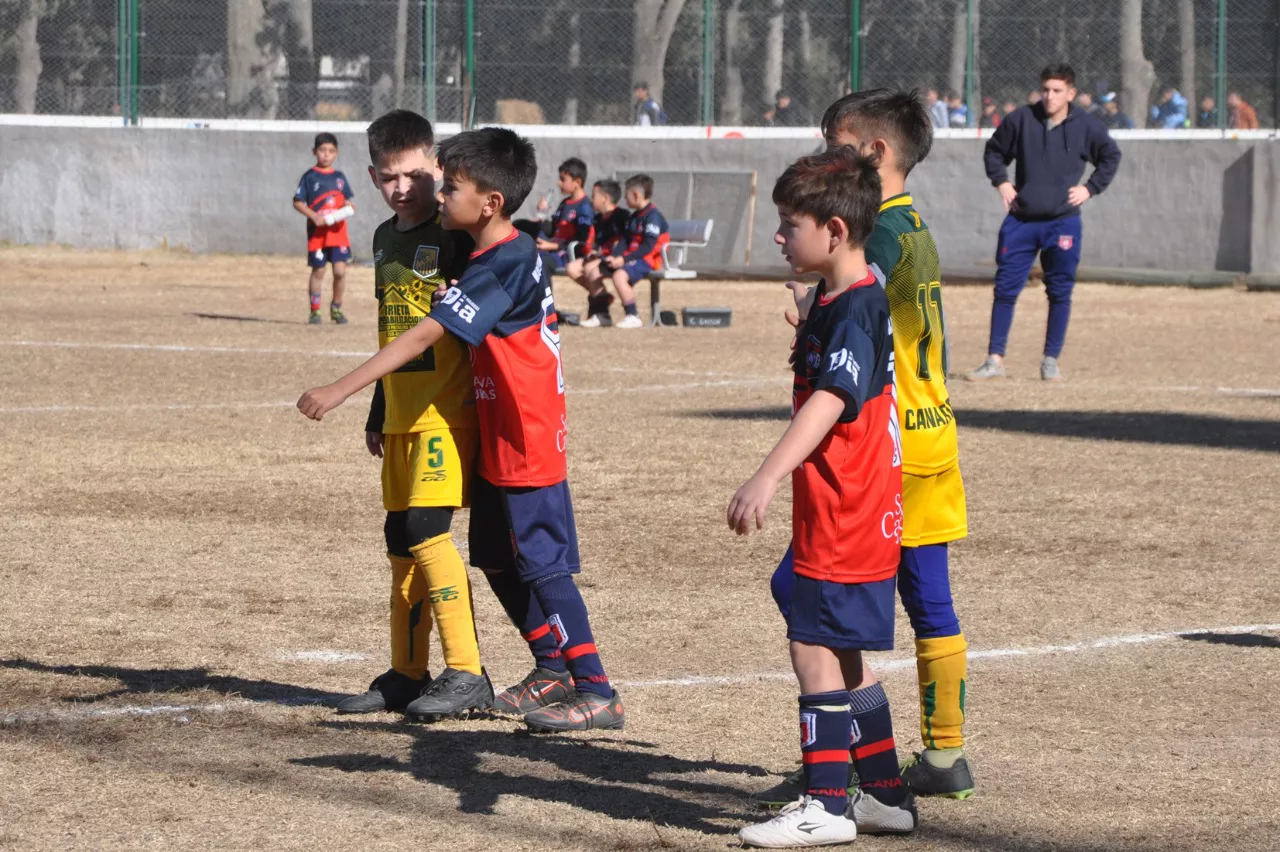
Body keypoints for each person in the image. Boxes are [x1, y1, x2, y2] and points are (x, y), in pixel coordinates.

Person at [297, 126, 624, 733]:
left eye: (449, 187)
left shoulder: (510, 258)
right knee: (496, 556)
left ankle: (598, 690)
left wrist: (342, 389)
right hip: (496, 428)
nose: (438, 196)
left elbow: (427, 334)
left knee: (544, 566)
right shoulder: (482, 256)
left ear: (490, 202)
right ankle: (550, 669)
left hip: (527, 434)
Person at [759, 89, 974, 818]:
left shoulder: (875, 238)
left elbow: (857, 320)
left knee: (810, 600)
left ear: (873, 154)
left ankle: (837, 774)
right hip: (931, 432)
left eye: (835, 142)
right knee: (925, 600)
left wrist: (814, 310)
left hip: (882, 448)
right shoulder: (918, 226)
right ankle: (937, 754)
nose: (825, 153)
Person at [732, 145, 911, 848]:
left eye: (789, 223)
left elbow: (834, 399)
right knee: (841, 648)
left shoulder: (855, 311)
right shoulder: (843, 300)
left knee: (812, 646)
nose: (779, 236)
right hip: (853, 509)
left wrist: (768, 474)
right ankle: (887, 795)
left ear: (833, 231)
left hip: (846, 510)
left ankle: (827, 804)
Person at [316, 111, 489, 721]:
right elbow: (391, 329)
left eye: (415, 174)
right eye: (389, 177)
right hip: (401, 416)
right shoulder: (385, 238)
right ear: (371, 176)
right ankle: (406, 673)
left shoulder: (459, 235)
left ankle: (467, 670)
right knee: (398, 536)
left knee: (426, 528)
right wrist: (378, 404)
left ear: (437, 167)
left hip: (448, 411)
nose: (402, 188)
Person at [970, 64, 1121, 382]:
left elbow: (1110, 156)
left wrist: (1089, 189)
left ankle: (1050, 360)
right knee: (1006, 289)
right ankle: (995, 359)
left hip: (1062, 223)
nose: (1049, 97)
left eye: (1057, 91)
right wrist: (1002, 182)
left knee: (1060, 291)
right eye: (1046, 90)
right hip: (1021, 221)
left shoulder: (1086, 126)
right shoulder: (1022, 119)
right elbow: (994, 152)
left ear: (1071, 93)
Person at [583, 174, 668, 329]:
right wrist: (614, 256)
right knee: (593, 272)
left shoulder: (652, 217)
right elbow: (625, 241)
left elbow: (648, 246)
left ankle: (632, 315)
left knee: (619, 275)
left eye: (627, 194)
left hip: (649, 259)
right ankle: (602, 315)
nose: (625, 198)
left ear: (636, 195)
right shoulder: (634, 216)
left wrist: (624, 260)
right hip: (630, 257)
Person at [293, 132, 356, 325]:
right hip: (318, 234)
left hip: (338, 234)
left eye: (330, 151)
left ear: (336, 153)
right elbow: (298, 202)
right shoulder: (309, 177)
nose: (326, 155)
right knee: (318, 271)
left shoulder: (339, 177)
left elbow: (347, 201)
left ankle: (336, 307)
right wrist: (314, 216)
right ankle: (315, 311)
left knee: (340, 271)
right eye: (322, 150)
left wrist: (348, 208)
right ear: (314, 152)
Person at [566, 179, 629, 324]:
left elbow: (625, 241)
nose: (591, 199)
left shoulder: (622, 216)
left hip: (614, 259)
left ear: (605, 199)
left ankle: (600, 314)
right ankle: (603, 296)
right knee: (572, 268)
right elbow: (598, 242)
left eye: (594, 195)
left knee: (589, 268)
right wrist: (593, 251)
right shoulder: (598, 218)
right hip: (601, 257)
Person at [534, 157, 595, 278]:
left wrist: (553, 246)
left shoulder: (585, 207)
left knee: (539, 263)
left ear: (577, 182)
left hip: (565, 253)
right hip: (552, 247)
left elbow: (582, 239)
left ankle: (545, 296)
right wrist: (541, 217)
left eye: (563, 179)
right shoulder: (565, 203)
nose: (558, 183)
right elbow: (553, 229)